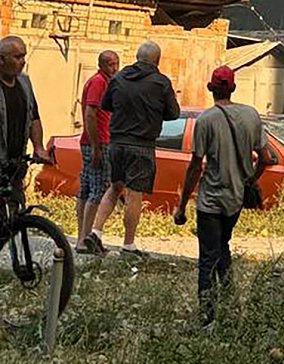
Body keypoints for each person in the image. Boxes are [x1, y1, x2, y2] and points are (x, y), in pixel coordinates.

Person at [174, 66, 268, 327]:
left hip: (211, 201)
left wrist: (181, 205)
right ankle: (228, 305)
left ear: (211, 89)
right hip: (235, 200)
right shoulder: (251, 115)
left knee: (207, 257)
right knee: (222, 247)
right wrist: (249, 178)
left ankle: (207, 317)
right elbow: (266, 157)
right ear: (234, 88)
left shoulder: (206, 120)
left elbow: (195, 166)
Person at [91, 40, 180, 256]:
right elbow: (174, 113)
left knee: (114, 186)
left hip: (116, 143)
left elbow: (105, 105)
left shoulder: (118, 78)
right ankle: (128, 245)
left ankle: (95, 232)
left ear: (137, 57)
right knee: (135, 194)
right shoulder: (161, 83)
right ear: (157, 60)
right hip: (141, 144)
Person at [76, 50, 119, 255]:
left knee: (86, 189)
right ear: (102, 64)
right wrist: (96, 147)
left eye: (117, 63)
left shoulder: (104, 82)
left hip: (96, 141)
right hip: (98, 142)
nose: (115, 68)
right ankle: (86, 239)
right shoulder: (98, 82)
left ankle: (82, 239)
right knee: (98, 189)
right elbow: (90, 114)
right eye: (111, 64)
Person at [0, 36, 49, 205]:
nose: (22, 62)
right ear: (1, 59)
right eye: (17, 57)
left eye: (23, 56)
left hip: (14, 164)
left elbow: (33, 116)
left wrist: (39, 147)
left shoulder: (24, 82)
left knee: (15, 211)